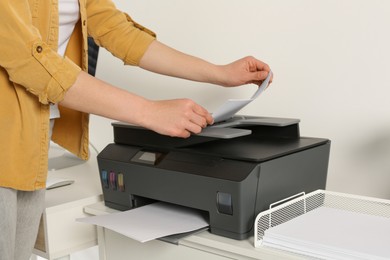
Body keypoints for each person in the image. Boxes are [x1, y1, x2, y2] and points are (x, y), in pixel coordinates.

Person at [0, 0, 272, 259]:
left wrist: (219, 73)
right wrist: (149, 112)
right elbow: (26, 56)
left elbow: (114, 28)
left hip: (32, 129)